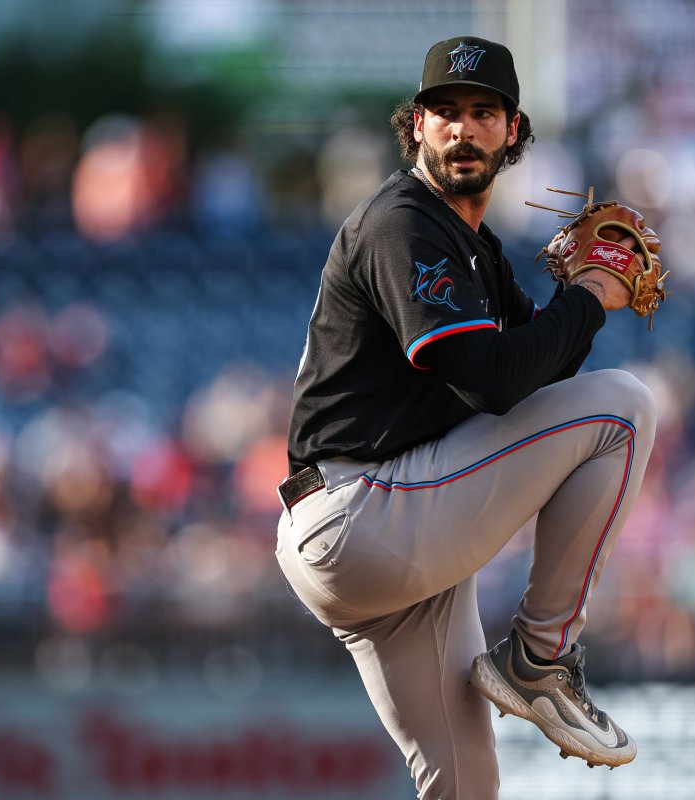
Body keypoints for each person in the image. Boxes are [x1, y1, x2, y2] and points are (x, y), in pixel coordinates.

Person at [275, 35, 658, 799]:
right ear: (415, 126)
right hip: (364, 513)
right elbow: (491, 383)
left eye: (483, 112)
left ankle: (536, 665)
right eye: (443, 111)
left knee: (465, 785)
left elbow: (544, 370)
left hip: (392, 537)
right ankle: (542, 660)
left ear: (512, 131)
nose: (462, 128)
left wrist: (578, 298)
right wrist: (588, 298)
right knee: (626, 408)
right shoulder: (404, 222)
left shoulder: (473, 246)